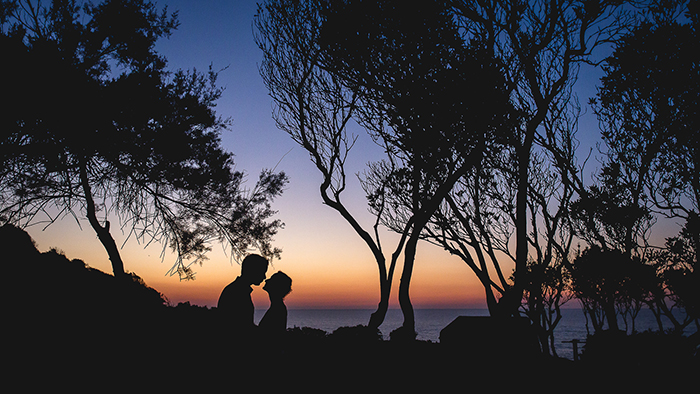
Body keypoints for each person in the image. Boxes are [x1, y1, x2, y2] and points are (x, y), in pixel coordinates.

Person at [217, 254, 269, 333]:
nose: (264, 277)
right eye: (262, 272)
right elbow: (242, 326)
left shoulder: (237, 290)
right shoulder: (237, 292)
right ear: (253, 271)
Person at [258, 271, 292, 337]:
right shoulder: (277, 307)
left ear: (276, 286)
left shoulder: (278, 309)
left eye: (271, 279)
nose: (266, 280)